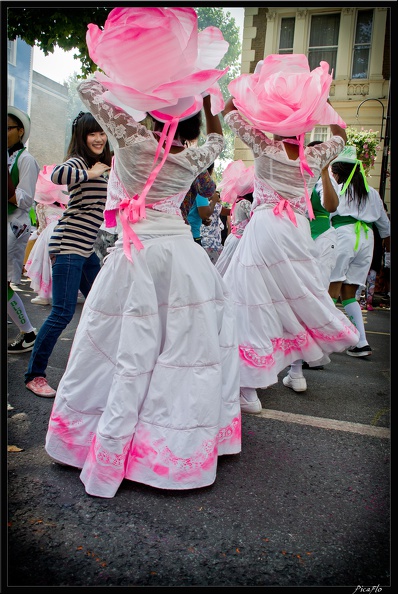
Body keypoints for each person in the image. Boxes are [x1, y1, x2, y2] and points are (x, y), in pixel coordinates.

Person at [44, 76, 241, 497]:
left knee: (121, 347)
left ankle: (105, 443)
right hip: (181, 259)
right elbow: (218, 139)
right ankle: (170, 450)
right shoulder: (195, 155)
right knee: (181, 353)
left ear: (155, 111)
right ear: (190, 120)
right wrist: (208, 99)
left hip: (136, 256)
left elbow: (87, 88)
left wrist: (136, 78)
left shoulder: (133, 141)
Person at [221, 54, 360, 413]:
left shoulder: (264, 147)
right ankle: (295, 370)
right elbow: (341, 136)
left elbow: (230, 113)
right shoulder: (313, 157)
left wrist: (245, 95)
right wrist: (317, 103)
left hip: (266, 229)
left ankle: (249, 390)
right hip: (296, 231)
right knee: (295, 299)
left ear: (273, 119)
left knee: (252, 305)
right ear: (303, 122)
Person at [24, 111, 112, 397]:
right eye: (92, 133)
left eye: (101, 133)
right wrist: (90, 173)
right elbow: (58, 174)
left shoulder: (105, 165)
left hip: (86, 248)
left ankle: (99, 367)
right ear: (82, 137)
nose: (98, 138)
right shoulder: (79, 162)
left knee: (104, 304)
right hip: (69, 244)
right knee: (62, 312)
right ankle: (34, 375)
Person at [328, 145, 390, 357]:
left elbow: (325, 215)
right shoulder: (371, 193)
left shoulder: (336, 190)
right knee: (349, 295)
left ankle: (322, 347)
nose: (333, 176)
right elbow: (385, 227)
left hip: (343, 236)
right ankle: (361, 342)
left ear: (340, 173)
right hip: (367, 240)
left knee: (330, 293)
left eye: (334, 173)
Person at [301, 140, 341, 370]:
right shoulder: (301, 177)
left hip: (323, 239)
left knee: (319, 292)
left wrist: (324, 171)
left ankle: (316, 350)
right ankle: (303, 347)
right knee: (302, 292)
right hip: (302, 237)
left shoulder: (325, 181)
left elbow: (331, 206)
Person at [7, 106, 40, 354]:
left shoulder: (26, 160)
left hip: (14, 226)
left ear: (20, 131)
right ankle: (27, 332)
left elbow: (26, 199)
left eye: (8, 128)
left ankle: (29, 333)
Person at [24, 164, 69, 306]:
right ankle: (64, 294)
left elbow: (41, 227)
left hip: (49, 233)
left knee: (45, 264)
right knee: (63, 263)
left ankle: (44, 295)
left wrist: (34, 237)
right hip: (65, 231)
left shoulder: (41, 206)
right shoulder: (64, 205)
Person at [215, 160, 254, 277]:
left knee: (227, 266)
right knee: (234, 269)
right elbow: (253, 220)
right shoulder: (245, 203)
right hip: (240, 240)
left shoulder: (237, 202)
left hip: (233, 238)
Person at [200, 191, 230, 265]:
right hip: (213, 243)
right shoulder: (216, 206)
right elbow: (229, 212)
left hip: (202, 241)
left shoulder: (200, 206)